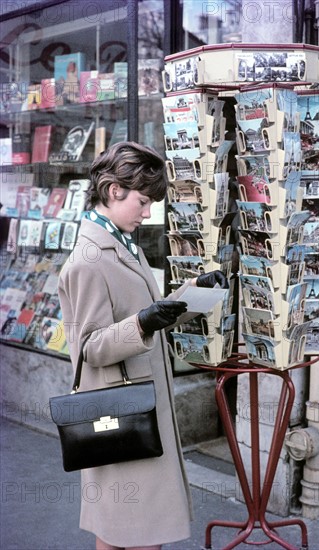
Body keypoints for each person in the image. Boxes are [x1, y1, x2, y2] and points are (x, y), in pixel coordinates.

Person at [58, 141, 229, 550]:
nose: (148, 211)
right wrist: (143, 322)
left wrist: (191, 294)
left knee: (122, 529)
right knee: (136, 532)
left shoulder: (119, 243)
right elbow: (88, 347)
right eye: (143, 200)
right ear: (114, 190)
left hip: (135, 404)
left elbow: (144, 314)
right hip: (121, 410)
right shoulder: (89, 259)